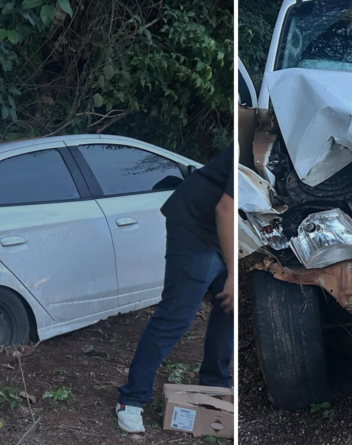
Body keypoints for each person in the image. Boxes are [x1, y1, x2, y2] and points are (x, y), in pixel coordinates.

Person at [115, 142, 235, 433]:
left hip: (226, 229)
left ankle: (214, 387)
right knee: (176, 316)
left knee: (228, 311)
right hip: (197, 226)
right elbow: (225, 208)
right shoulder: (255, 143)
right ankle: (130, 399)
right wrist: (232, 272)